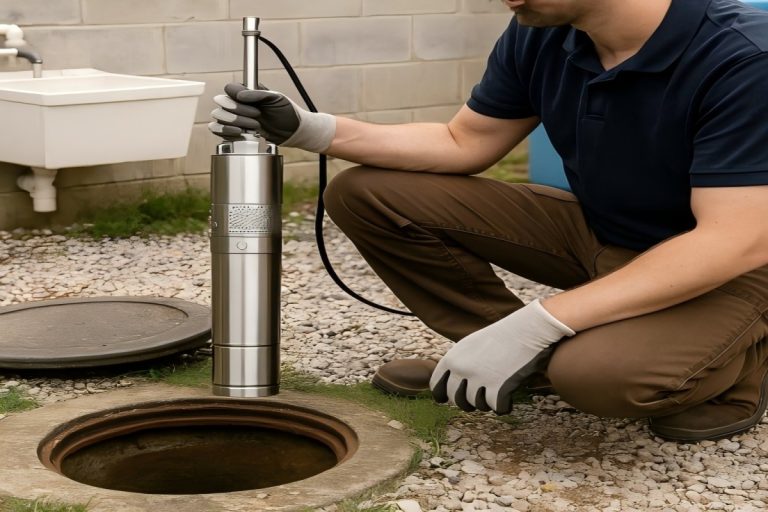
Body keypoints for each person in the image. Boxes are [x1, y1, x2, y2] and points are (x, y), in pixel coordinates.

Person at [209, 0, 768, 442]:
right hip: (606, 232)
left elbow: (732, 240)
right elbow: (465, 142)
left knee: (595, 378)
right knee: (365, 192)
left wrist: (539, 323)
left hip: (733, 264)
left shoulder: (744, 56)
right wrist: (310, 130)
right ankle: (511, 361)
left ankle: (744, 363)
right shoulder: (543, 29)